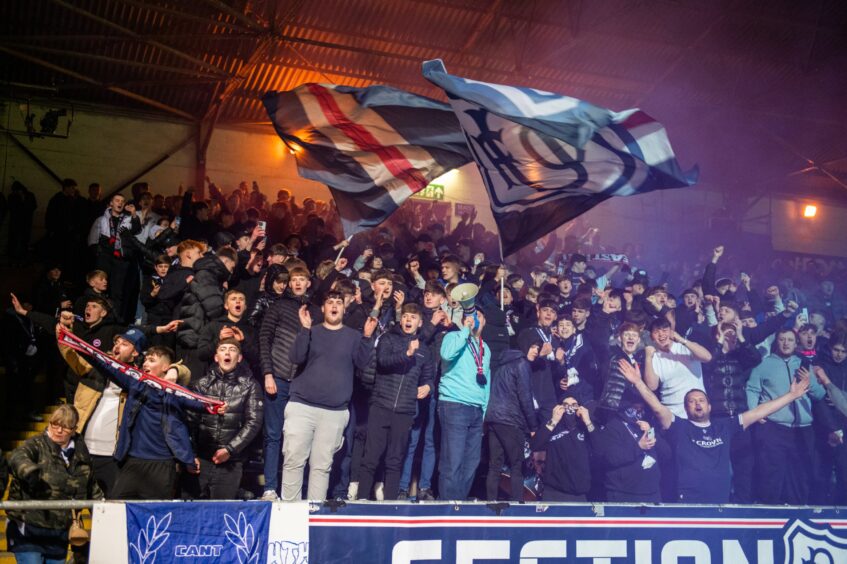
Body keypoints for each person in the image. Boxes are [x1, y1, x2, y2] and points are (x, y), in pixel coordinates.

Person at [618, 358, 812, 503]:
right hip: (688, 501)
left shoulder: (724, 426)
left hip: (720, 501)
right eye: (691, 402)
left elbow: (759, 411)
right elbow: (658, 407)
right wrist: (638, 382)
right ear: (686, 409)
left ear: (710, 406)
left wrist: (791, 395)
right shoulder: (678, 427)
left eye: (701, 400)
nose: (697, 404)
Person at [281, 292, 377, 501]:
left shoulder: (353, 336)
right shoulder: (312, 331)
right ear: (323, 308)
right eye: (330, 302)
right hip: (301, 407)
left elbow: (362, 363)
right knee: (293, 461)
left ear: (344, 309)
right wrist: (304, 329)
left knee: (321, 467)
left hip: (334, 412)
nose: (334, 306)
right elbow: (295, 357)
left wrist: (368, 337)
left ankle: (314, 515)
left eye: (339, 303)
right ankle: (289, 515)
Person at [7, 404, 104, 563]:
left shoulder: (81, 453)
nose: (58, 431)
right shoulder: (36, 444)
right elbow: (17, 457)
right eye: (55, 424)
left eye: (65, 427)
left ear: (73, 430)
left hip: (60, 532)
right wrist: (30, 472)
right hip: (29, 529)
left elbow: (91, 486)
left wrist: (104, 511)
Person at [357, 304, 434, 500]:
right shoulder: (388, 338)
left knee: (395, 460)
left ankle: (391, 504)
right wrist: (407, 354)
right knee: (371, 458)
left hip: (405, 411)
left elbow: (428, 376)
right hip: (381, 404)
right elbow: (383, 361)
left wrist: (428, 386)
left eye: (413, 317)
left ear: (420, 322)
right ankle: (362, 499)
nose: (408, 320)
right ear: (401, 320)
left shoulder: (424, 350)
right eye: (406, 316)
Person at [746, 328, 827, 504]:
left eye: (790, 340)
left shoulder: (804, 365)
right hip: (774, 428)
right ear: (777, 342)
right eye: (782, 339)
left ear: (796, 343)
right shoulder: (764, 365)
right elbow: (752, 390)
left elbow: (820, 395)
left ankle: (797, 518)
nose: (786, 343)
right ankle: (769, 520)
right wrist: (755, 414)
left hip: (803, 430)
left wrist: (810, 381)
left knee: (800, 476)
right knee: (771, 476)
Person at [259, 265, 313, 501]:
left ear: (309, 283)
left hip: (302, 384)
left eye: (303, 279)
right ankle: (270, 488)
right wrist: (268, 373)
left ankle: (295, 490)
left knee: (298, 438)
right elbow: (264, 339)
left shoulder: (315, 311)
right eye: (294, 279)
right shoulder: (279, 306)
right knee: (273, 435)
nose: (298, 283)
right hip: (278, 379)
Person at [186, 339, 263, 499]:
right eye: (223, 349)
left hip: (231, 462)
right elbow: (190, 422)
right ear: (216, 357)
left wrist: (230, 450)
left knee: (222, 513)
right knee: (192, 513)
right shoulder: (200, 385)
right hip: (201, 460)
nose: (227, 352)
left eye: (232, 349)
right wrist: (190, 455)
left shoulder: (250, 386)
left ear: (239, 357)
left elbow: (254, 421)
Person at [438, 310, 491, 500]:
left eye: (479, 315)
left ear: (484, 321)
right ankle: (447, 506)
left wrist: (484, 411)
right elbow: (447, 354)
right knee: (453, 461)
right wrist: (464, 330)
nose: (476, 318)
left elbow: (487, 381)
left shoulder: (486, 348)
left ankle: (459, 503)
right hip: (454, 404)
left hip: (476, 409)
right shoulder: (453, 337)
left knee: (471, 462)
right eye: (472, 315)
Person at [484, 341, 538, 501]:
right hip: (510, 420)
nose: (536, 350)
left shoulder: (502, 364)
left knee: (494, 466)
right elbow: (525, 397)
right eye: (534, 346)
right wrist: (533, 425)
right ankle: (517, 507)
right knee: (517, 465)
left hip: (494, 418)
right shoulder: (522, 364)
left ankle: (490, 504)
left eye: (538, 348)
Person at [643, 317, 713, 418]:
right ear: (652, 337)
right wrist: (648, 357)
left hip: (697, 411)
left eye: (664, 330)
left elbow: (707, 357)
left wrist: (682, 340)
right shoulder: (654, 357)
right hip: (672, 413)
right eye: (656, 332)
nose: (661, 334)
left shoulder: (686, 347)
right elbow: (652, 386)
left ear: (671, 332)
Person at [530, 396, 595, 501]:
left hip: (579, 494)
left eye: (574, 405)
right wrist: (554, 420)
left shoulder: (584, 428)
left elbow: (601, 449)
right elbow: (534, 445)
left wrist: (588, 421)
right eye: (565, 405)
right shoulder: (553, 427)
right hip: (554, 492)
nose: (569, 408)